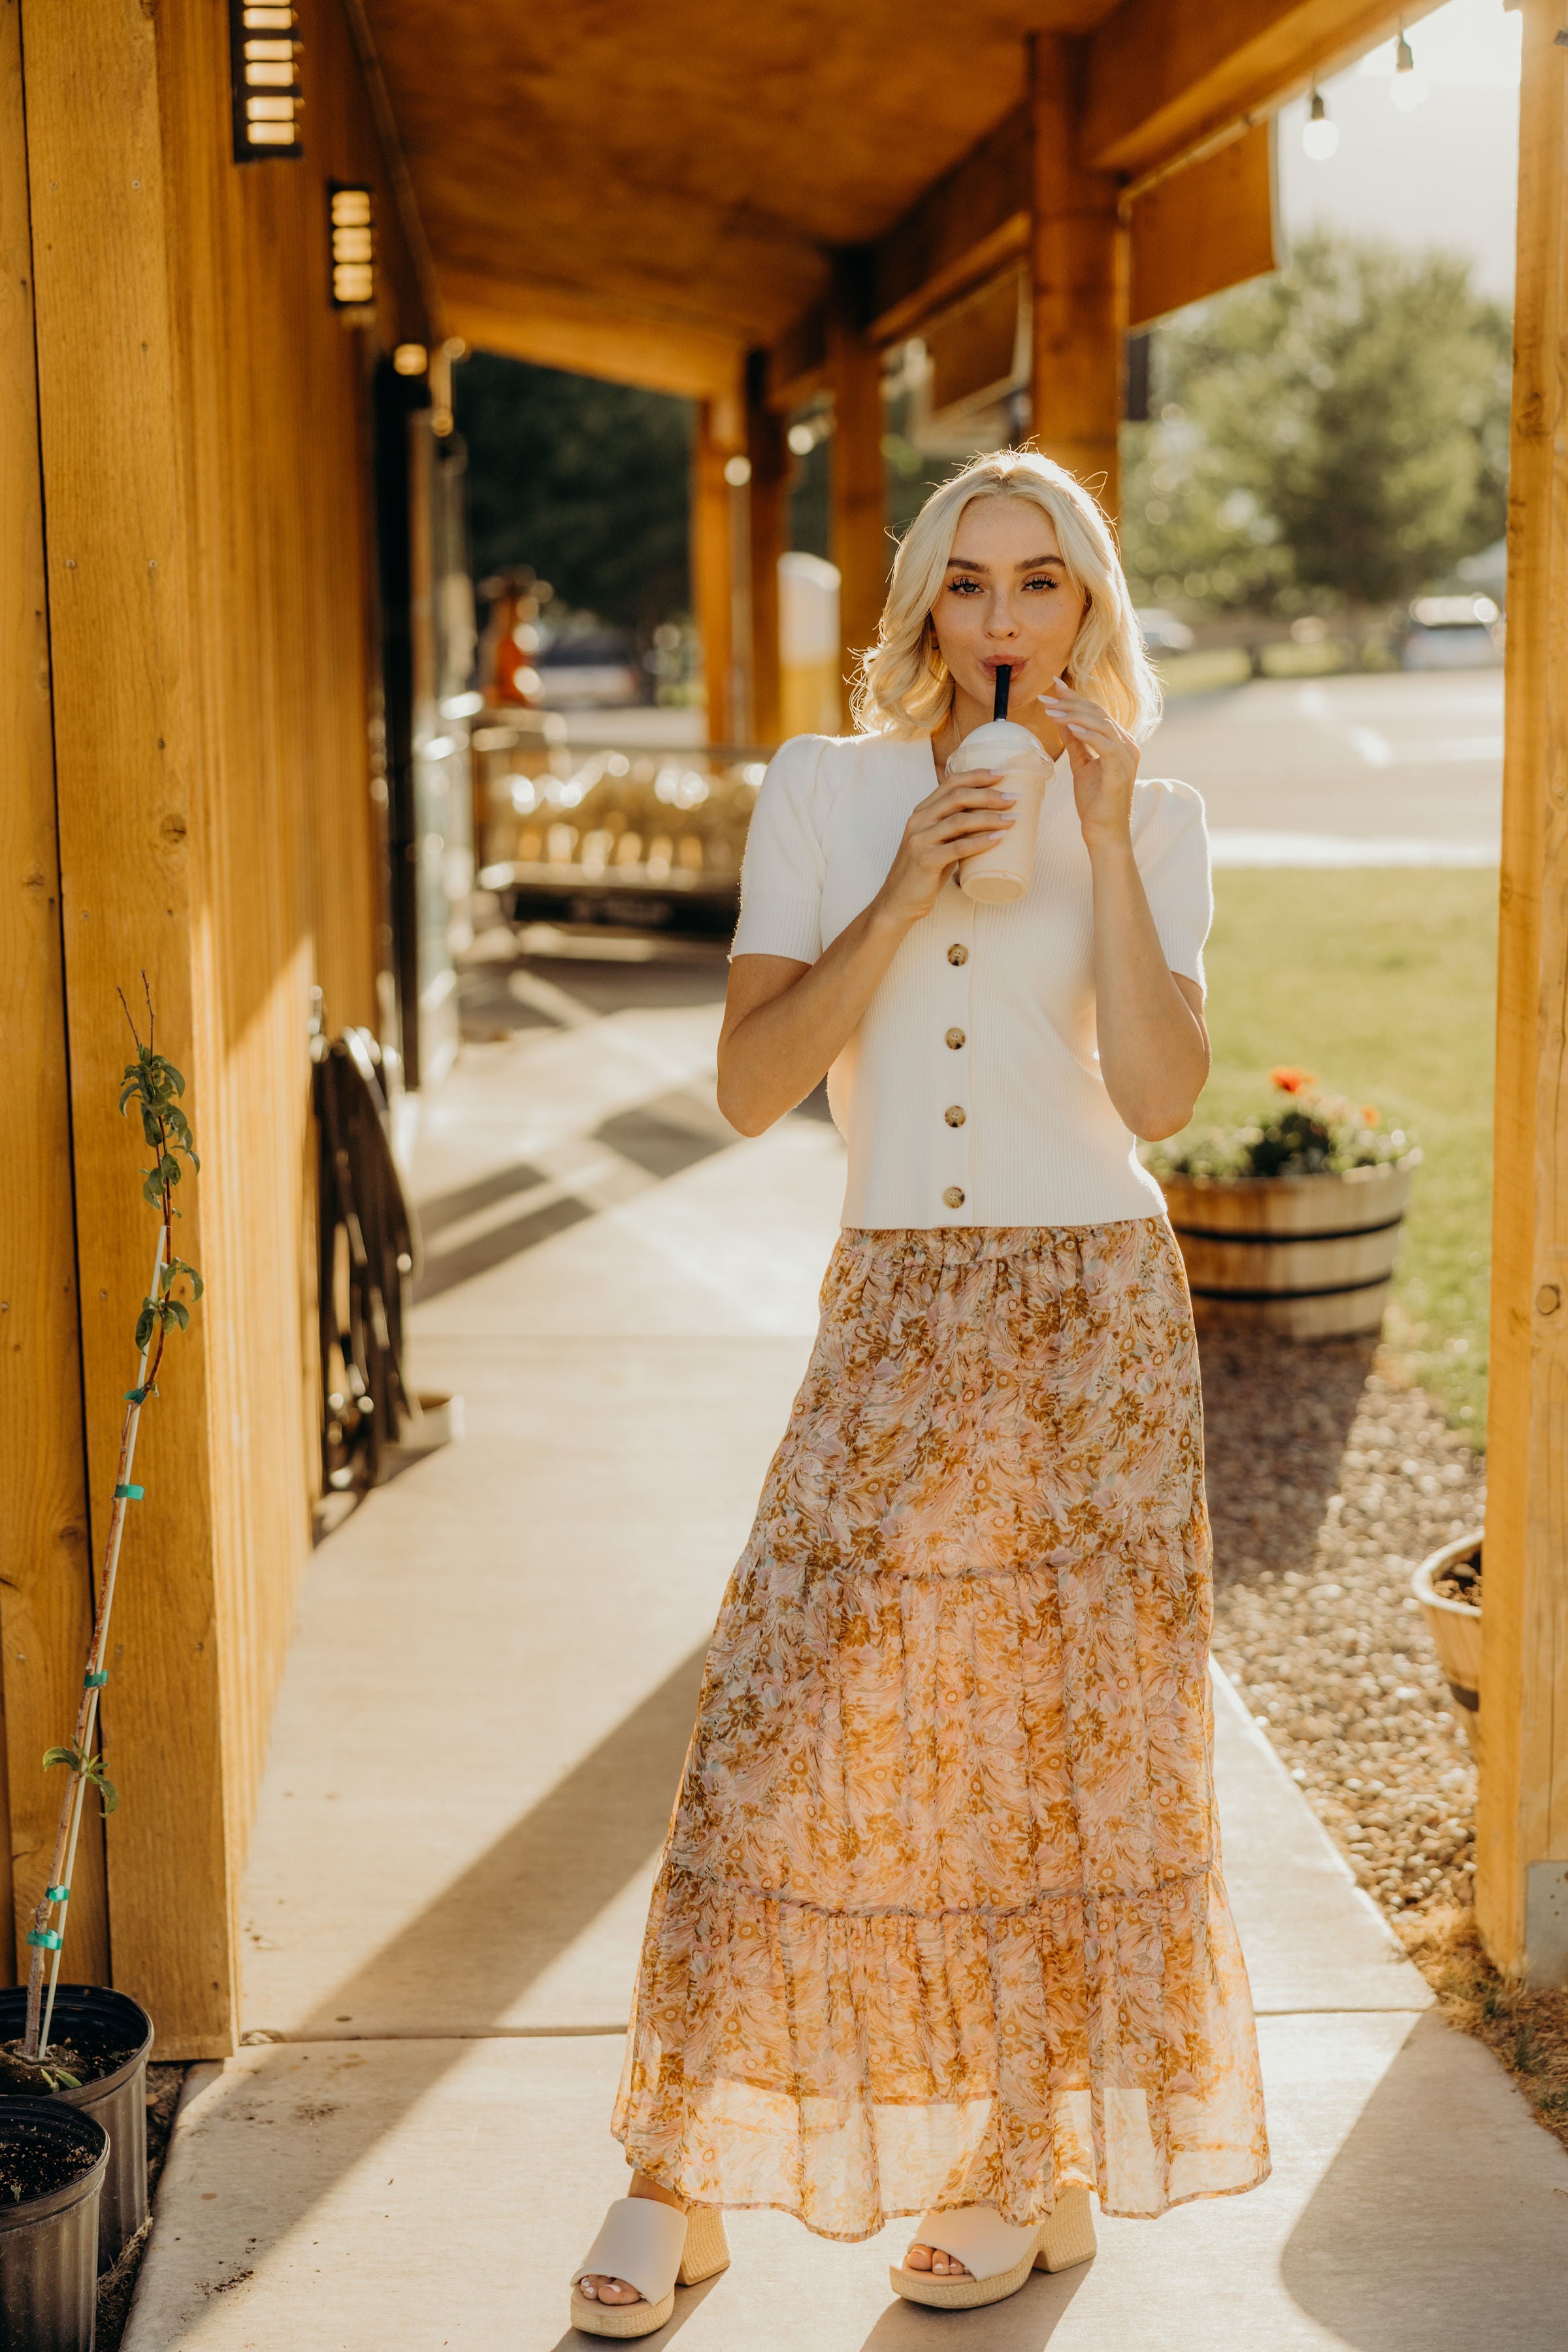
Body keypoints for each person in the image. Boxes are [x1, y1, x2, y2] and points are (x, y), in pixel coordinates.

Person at [568, 449, 1269, 2334]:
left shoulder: (1161, 809)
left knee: (1058, 1759)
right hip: (893, 1305)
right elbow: (744, 1085)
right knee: (784, 1718)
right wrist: (897, 892)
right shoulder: (828, 788)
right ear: (926, 611)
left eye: (1043, 585)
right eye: (971, 587)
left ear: (1089, 607)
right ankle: (675, 2173)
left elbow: (1161, 1095)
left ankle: (1024, 2169)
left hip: (1095, 1320)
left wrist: (1105, 843)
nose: (1005, 621)